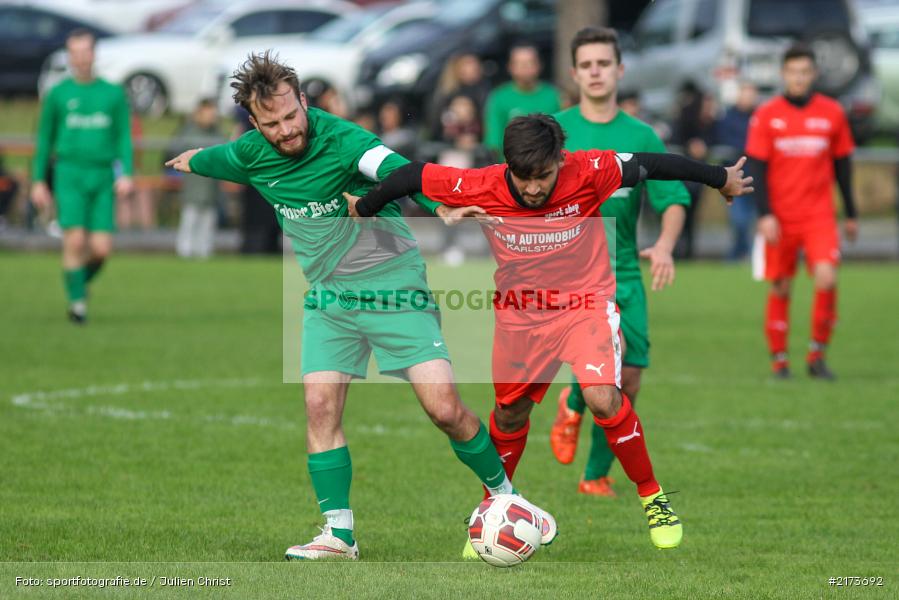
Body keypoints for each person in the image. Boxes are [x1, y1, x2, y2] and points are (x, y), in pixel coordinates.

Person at [165, 52, 554, 561]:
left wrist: (440, 206)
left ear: (305, 101)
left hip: (393, 283)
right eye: (271, 124)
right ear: (254, 123)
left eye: (290, 116)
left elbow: (397, 169)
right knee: (319, 405)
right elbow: (212, 158)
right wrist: (187, 158)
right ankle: (338, 534)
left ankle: (508, 497)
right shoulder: (249, 154)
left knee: (444, 409)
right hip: (329, 297)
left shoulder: (345, 141)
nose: (284, 131)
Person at [346, 114, 753, 553]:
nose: (534, 188)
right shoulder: (482, 183)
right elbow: (409, 174)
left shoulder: (591, 170)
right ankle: (494, 513)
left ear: (560, 159)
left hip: (585, 305)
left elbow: (653, 164)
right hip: (521, 318)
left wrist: (719, 178)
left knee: (602, 397)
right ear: (507, 166)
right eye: (523, 178)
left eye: (543, 176)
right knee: (509, 415)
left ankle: (653, 497)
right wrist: (365, 208)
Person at [548, 27, 691, 498]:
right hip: (572, 274)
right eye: (586, 65)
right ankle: (572, 401)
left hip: (625, 270)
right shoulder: (556, 131)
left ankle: (594, 475)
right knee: (603, 368)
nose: (595, 72)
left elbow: (673, 197)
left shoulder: (641, 135)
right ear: (574, 73)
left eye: (603, 64)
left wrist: (666, 244)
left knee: (628, 380)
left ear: (619, 70)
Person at [746, 43, 857, 380]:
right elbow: (757, 167)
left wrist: (851, 213)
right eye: (793, 72)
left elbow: (843, 165)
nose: (799, 78)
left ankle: (816, 356)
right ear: (784, 74)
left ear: (814, 74)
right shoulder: (767, 114)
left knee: (827, 277)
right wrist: (764, 214)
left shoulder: (832, 112)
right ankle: (779, 360)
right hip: (780, 216)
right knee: (780, 286)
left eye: (805, 71)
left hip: (819, 214)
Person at [30, 29, 134, 324]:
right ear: (69, 56)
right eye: (74, 53)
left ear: (94, 54)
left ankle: (78, 282)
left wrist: (126, 173)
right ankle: (78, 305)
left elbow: (123, 138)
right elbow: (44, 140)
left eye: (85, 51)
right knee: (75, 242)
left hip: (101, 175)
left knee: (101, 249)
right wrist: (38, 181)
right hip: (69, 172)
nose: (80, 58)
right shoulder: (58, 94)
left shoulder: (112, 94)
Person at [169, 99, 227, 259]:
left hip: (211, 189)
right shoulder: (189, 131)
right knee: (190, 220)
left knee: (208, 222)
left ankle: (204, 252)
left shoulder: (217, 133)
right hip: (193, 188)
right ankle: (184, 251)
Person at [483, 44, 561, 158]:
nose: (525, 67)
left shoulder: (554, 95)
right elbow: (493, 142)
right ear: (510, 67)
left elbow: (562, 136)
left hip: (548, 166)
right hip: (510, 168)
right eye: (520, 63)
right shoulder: (499, 97)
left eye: (530, 62)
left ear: (539, 65)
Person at [717, 82, 759, 260]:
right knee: (739, 221)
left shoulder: (761, 116)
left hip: (757, 178)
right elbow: (724, 140)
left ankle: (745, 256)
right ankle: (740, 255)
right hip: (735, 178)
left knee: (754, 221)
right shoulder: (727, 118)